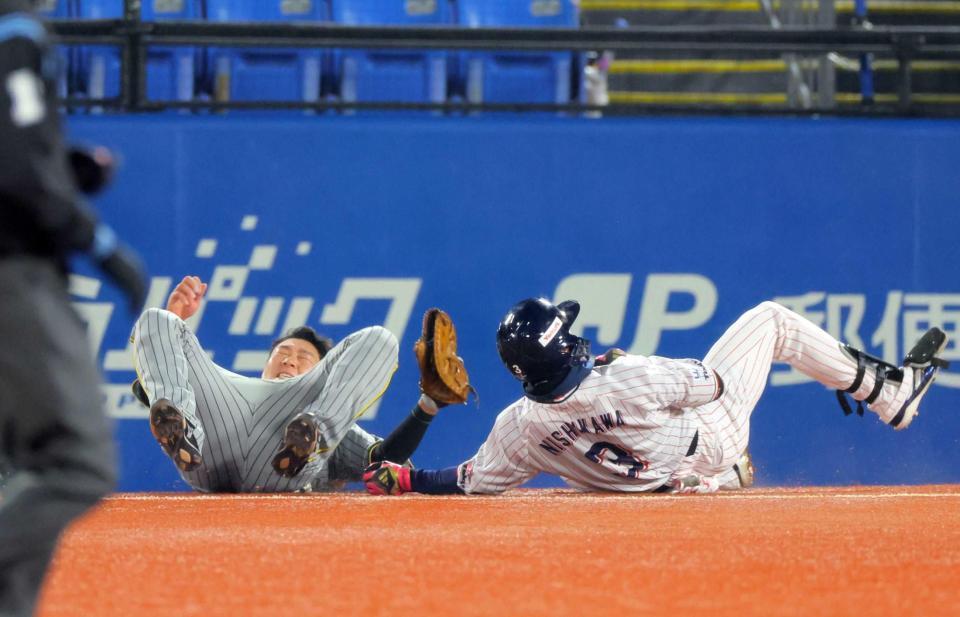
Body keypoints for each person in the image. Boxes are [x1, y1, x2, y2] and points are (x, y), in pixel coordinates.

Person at [363, 298, 949, 496]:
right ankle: (890, 394)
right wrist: (622, 363)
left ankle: (700, 483)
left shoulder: (518, 426)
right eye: (564, 334)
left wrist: (409, 479)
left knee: (576, 471)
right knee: (771, 322)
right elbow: (711, 384)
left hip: (637, 483)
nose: (574, 335)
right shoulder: (627, 377)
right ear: (560, 349)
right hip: (710, 436)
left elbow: (467, 480)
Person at [0, 2, 147, 615]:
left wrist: (64, 169)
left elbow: (19, 157)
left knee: (26, 470)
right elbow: (18, 169)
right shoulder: (17, 35)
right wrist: (101, 244)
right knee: (76, 464)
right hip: (15, 275)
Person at [133, 275, 461, 493]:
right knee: (157, 317)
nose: (290, 360)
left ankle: (310, 436)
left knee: (382, 338)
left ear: (325, 372)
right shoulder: (232, 384)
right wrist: (174, 322)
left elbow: (385, 460)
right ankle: (184, 431)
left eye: (304, 356)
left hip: (283, 462)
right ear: (266, 363)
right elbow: (152, 380)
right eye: (283, 353)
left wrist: (427, 407)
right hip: (209, 443)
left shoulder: (323, 401)